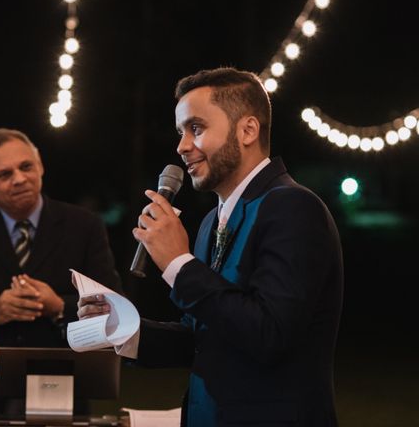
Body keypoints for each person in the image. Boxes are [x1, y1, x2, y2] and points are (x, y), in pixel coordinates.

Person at [79, 67, 343, 426]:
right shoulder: (209, 223)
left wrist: (179, 264)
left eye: (197, 129)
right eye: (180, 132)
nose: (182, 146)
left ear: (247, 130)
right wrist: (122, 328)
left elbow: (269, 334)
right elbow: (203, 338)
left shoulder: (293, 208)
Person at [0, 127, 123, 414]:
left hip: (64, 386)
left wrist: (57, 306)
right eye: (4, 175)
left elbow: (115, 305)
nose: (19, 179)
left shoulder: (84, 225)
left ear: (40, 165)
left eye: (26, 167)